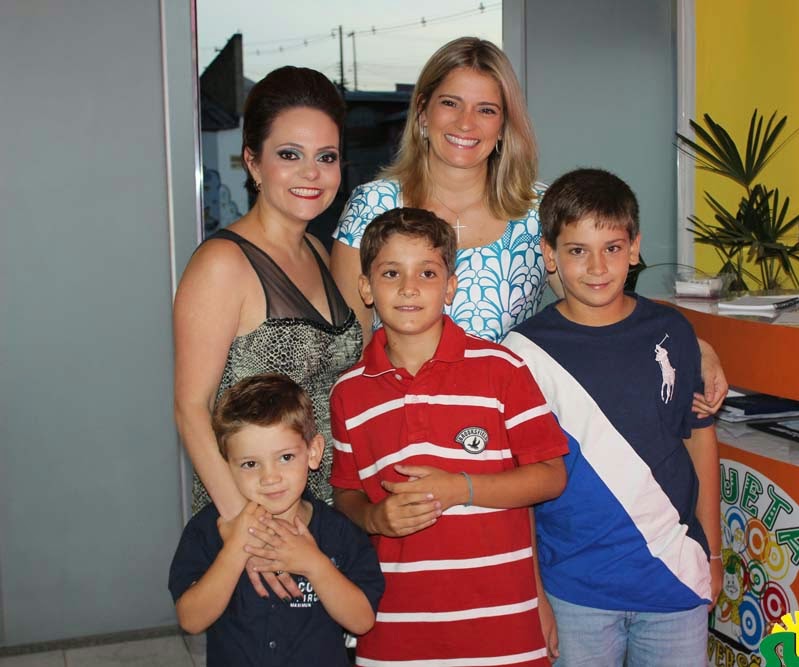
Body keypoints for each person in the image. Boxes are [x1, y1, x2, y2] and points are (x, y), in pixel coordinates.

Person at [330, 37, 729, 415]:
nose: (466, 123)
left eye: (486, 110)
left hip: (508, 425)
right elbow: (349, 349)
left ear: (504, 125)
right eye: (450, 103)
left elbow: (603, 307)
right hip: (398, 425)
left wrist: (692, 346)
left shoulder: (539, 210)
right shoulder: (371, 206)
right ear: (422, 111)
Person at [329, 208, 569, 666]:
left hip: (503, 625)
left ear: (451, 286)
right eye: (391, 273)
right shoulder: (349, 392)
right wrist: (375, 517)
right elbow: (345, 493)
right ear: (366, 287)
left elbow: (551, 476)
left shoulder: (501, 370)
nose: (409, 287)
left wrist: (461, 488)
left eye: (427, 272)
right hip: (395, 631)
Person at [503, 169, 723, 666]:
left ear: (635, 248)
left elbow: (700, 440)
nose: (597, 266)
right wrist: (532, 591)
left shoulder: (672, 331)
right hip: (572, 589)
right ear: (550, 255)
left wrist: (712, 552)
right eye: (578, 250)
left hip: (674, 578)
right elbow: (519, 486)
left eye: (613, 247)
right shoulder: (522, 353)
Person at [173, 66, 363, 600]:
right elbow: (190, 408)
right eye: (289, 154)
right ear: (253, 162)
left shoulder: (319, 253)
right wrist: (245, 530)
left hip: (321, 517)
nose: (312, 173)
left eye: (327, 157)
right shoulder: (222, 264)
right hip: (254, 521)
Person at [168, 374, 384, 666]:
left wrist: (315, 565)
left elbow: (361, 621)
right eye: (250, 464)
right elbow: (191, 620)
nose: (269, 477)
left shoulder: (340, 532)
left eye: (285, 457)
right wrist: (234, 549)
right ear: (227, 467)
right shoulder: (209, 530)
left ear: (313, 452)